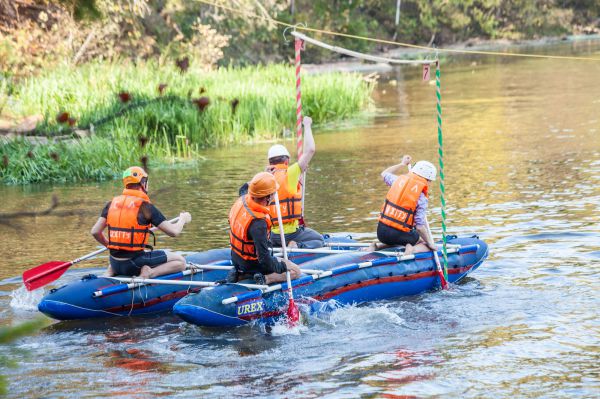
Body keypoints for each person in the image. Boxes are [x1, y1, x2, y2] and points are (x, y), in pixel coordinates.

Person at [90, 166, 192, 279]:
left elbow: (95, 232)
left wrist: (109, 246)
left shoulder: (111, 204)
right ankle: (149, 273)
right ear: (143, 183)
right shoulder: (145, 207)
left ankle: (111, 271)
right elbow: (174, 232)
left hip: (114, 262)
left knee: (126, 255)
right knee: (180, 262)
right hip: (134, 264)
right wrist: (183, 219)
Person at [229, 172, 301, 285]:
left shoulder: (242, 199)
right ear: (267, 197)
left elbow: (244, 187)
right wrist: (282, 266)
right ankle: (265, 279)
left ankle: (241, 275)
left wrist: (266, 178)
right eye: (273, 193)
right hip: (252, 264)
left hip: (236, 258)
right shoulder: (258, 223)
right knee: (296, 271)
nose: (274, 195)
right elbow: (264, 260)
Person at [266, 115, 324, 249]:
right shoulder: (290, 172)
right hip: (290, 234)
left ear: (270, 162)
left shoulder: (265, 176)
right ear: (286, 161)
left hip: (273, 235)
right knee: (319, 240)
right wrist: (307, 125)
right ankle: (296, 246)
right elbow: (310, 150)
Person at [370, 155, 438, 255]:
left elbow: (384, 173)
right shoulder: (421, 197)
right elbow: (419, 227)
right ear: (427, 179)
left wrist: (402, 164)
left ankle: (377, 247)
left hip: (381, 232)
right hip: (398, 234)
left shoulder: (396, 180)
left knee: (400, 238)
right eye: (430, 181)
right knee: (423, 242)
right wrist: (430, 243)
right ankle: (412, 249)